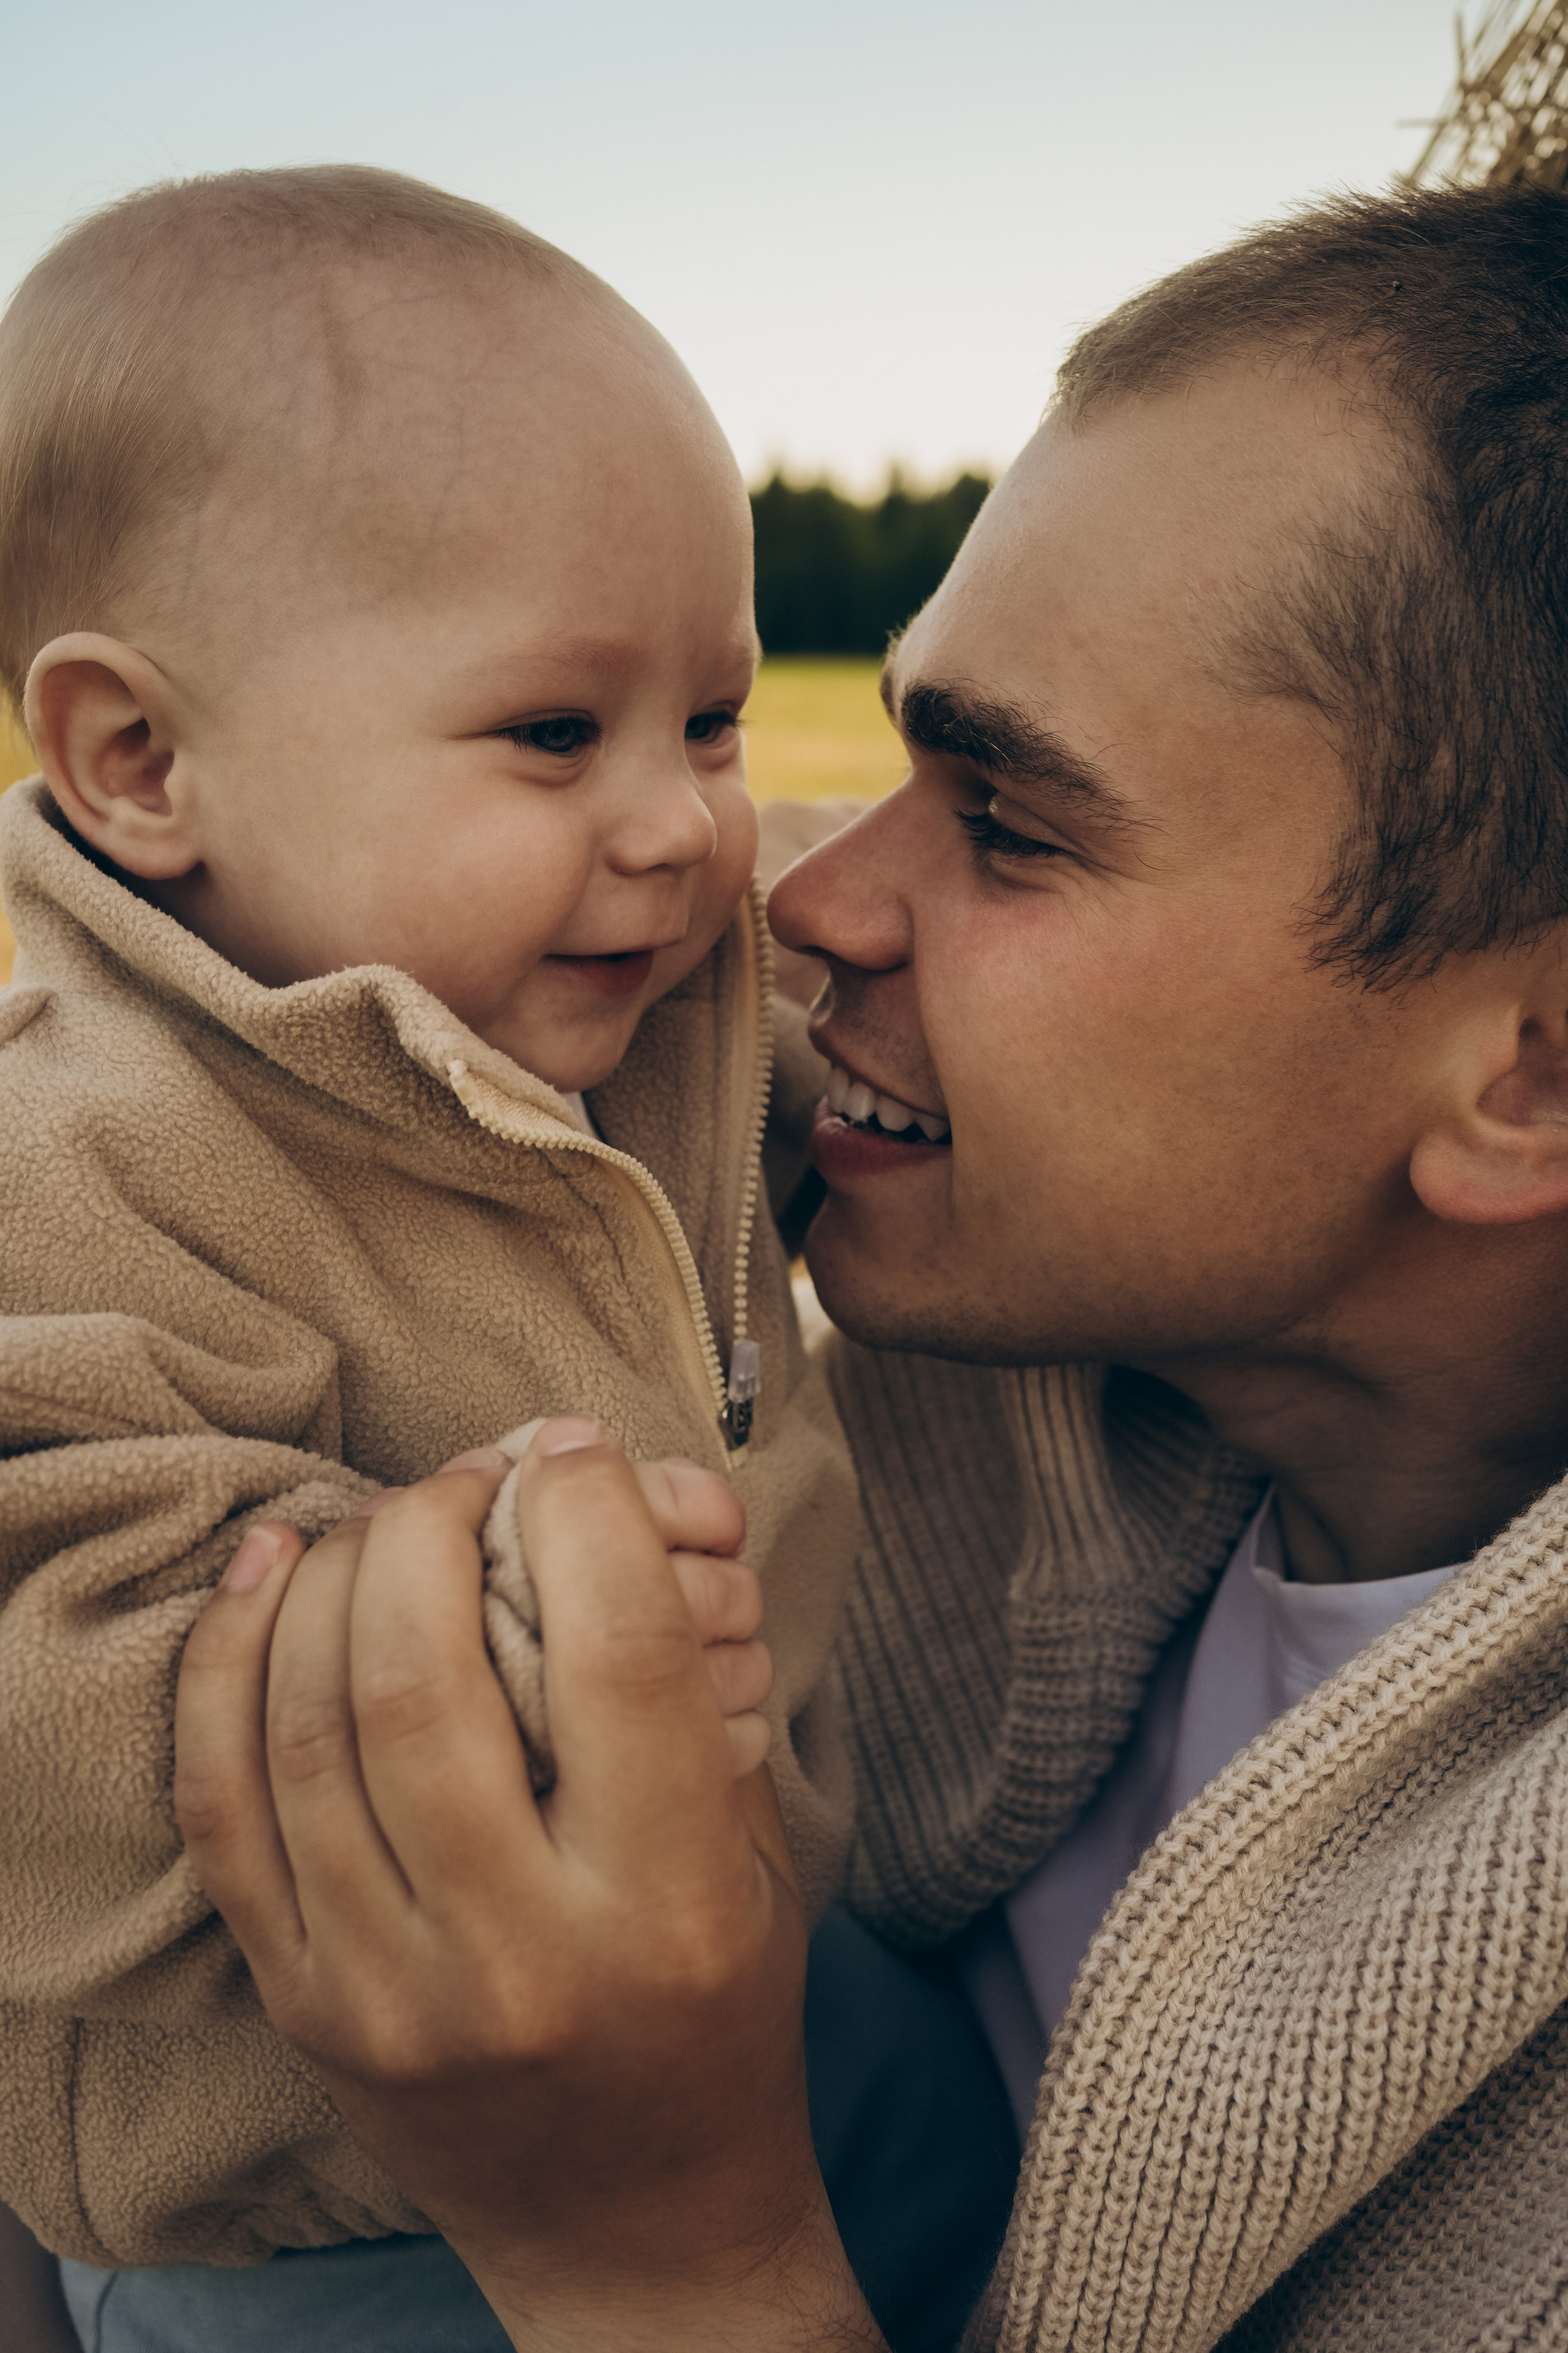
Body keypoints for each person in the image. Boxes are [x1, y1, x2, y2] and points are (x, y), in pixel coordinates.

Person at [176, 179, 1568, 2350]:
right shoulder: (873, 1414)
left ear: (1529, 1082)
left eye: (1010, 823)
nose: (801, 899)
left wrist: (666, 2258)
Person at [0, 164, 1017, 2351]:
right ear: (140, 759)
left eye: (715, 722)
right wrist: (526, 1639)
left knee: (1010, 2223)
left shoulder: (637, 983)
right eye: (558, 731)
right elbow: (43, 1634)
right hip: (329, 2177)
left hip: (757, 1975)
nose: (680, 821)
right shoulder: (72, 1141)